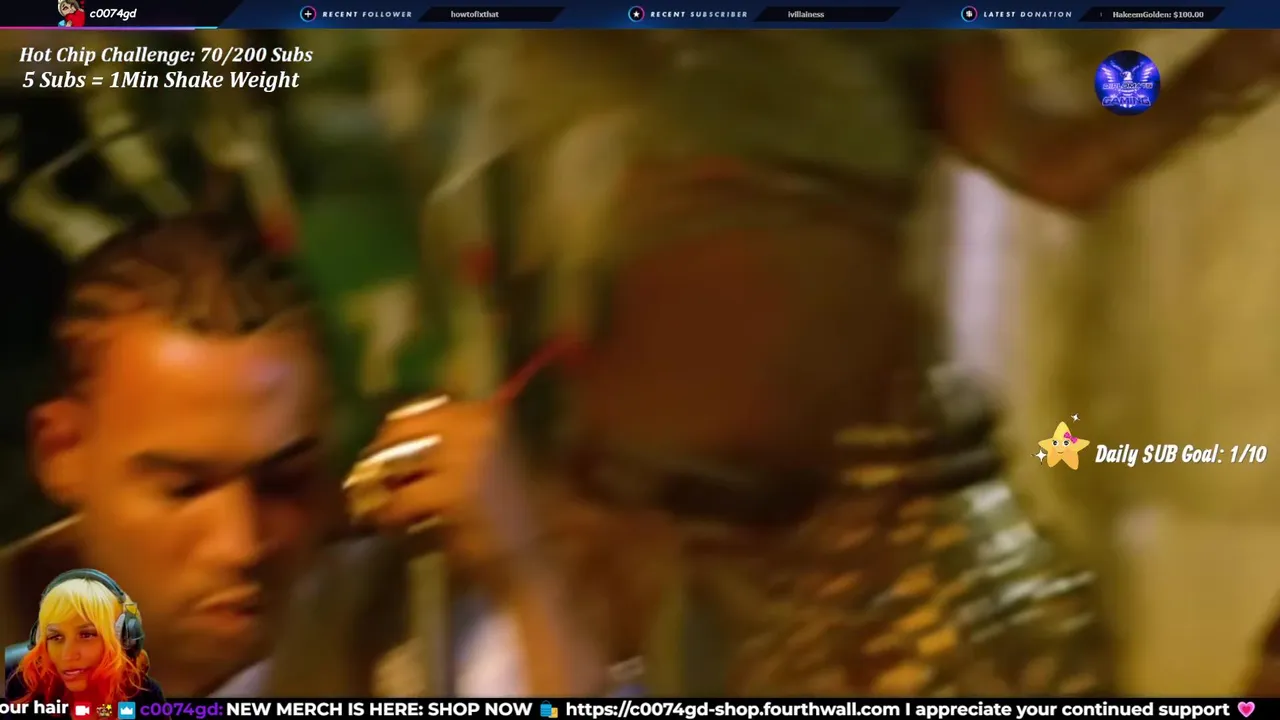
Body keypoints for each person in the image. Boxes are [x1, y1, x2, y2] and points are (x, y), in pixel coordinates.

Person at [0, 214, 600, 698]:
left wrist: (527, 574)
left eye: (283, 483)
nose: (242, 545)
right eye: (184, 489)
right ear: (62, 452)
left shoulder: (401, 619)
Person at [5, 569, 163, 707]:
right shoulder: (19, 693)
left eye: (86, 635)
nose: (67, 655)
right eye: (55, 636)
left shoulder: (145, 696)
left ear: (124, 637)